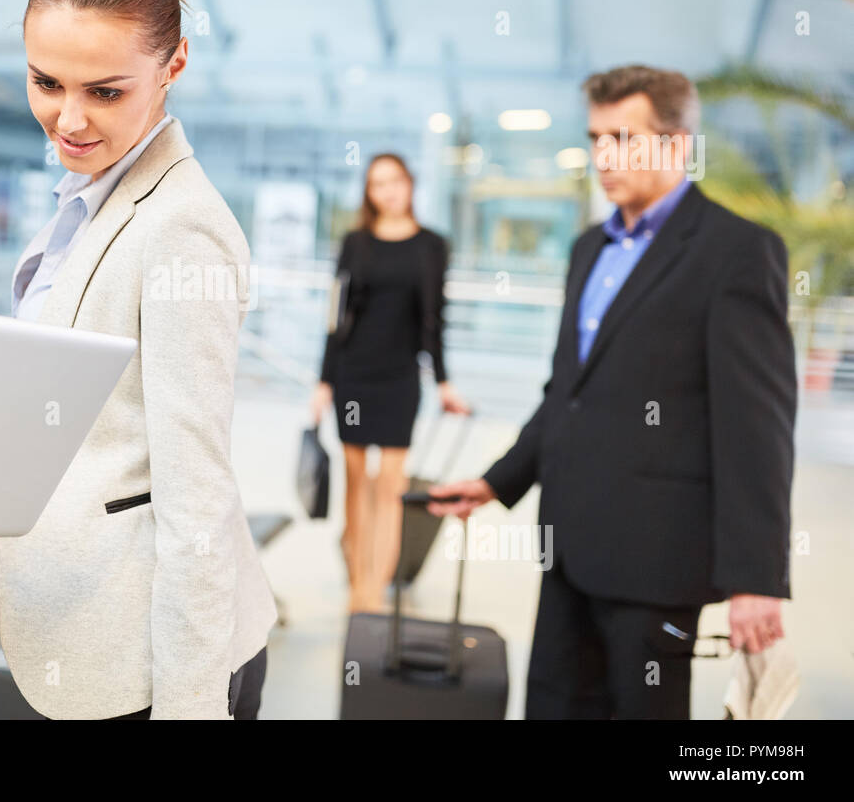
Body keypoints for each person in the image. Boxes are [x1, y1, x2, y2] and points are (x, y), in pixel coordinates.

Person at [430, 64, 796, 719]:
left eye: (624, 139)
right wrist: (496, 481)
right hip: (570, 545)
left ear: (677, 144)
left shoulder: (736, 252)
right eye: (597, 138)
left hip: (658, 561)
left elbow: (757, 430)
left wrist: (756, 580)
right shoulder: (587, 249)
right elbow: (567, 392)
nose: (604, 156)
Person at [0, 0, 278, 720]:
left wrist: (189, 709)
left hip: (155, 675)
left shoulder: (182, 228)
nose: (69, 118)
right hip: (87, 642)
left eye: (106, 92)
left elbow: (198, 495)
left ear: (174, 66)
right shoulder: (87, 199)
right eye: (45, 81)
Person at [311, 153, 469, 613]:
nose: (388, 191)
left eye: (395, 181)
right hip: (353, 375)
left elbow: (434, 320)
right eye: (378, 184)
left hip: (400, 379)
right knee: (357, 485)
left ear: (410, 184)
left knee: (391, 487)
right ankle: (357, 578)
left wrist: (443, 381)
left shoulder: (432, 246)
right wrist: (324, 381)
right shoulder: (355, 243)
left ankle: (374, 592)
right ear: (369, 192)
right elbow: (335, 317)